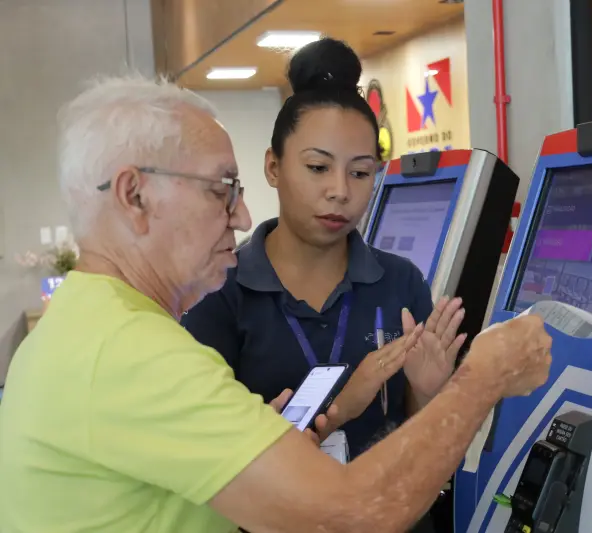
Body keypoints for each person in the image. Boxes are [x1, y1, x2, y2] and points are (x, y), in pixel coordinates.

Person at [0, 74, 552, 533]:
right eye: (221, 189)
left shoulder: (88, 324)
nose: (241, 216)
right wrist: (483, 377)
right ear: (135, 196)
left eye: (361, 172)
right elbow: (348, 514)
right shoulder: (132, 354)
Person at [181, 38, 466, 466]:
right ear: (273, 167)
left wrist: (427, 393)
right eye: (318, 168)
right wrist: (340, 410)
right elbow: (204, 456)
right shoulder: (220, 290)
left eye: (360, 172)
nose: (340, 191)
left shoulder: (401, 283)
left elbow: (423, 448)